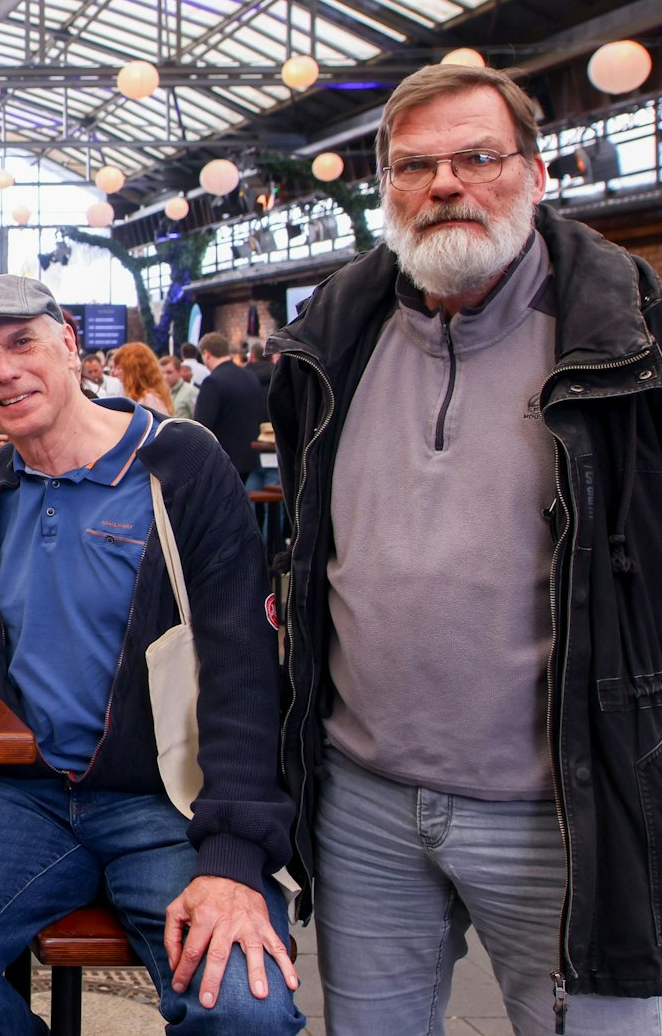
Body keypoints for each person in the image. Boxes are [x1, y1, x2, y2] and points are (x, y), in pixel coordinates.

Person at [269, 62, 662, 1034]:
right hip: (362, 804)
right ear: (386, 189)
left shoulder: (632, 342)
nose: (443, 184)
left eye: (475, 157)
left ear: (533, 175)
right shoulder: (330, 343)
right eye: (412, 166)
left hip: (566, 810)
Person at [0, 274, 303, 1036]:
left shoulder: (179, 467)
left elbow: (240, 665)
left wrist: (232, 859)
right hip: (26, 795)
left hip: (165, 799)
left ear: (69, 343)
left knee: (245, 1008)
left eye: (20, 342)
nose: (2, 370)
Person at [193, 332, 266, 483]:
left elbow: (202, 425)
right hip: (251, 456)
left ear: (206, 354)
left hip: (223, 459)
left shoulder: (212, 382)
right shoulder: (250, 376)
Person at [114, 342, 178, 418]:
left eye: (119, 368)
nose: (114, 373)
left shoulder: (150, 400)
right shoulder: (137, 398)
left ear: (133, 371)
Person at [161, 353, 199, 419]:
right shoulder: (159, 393)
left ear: (179, 372)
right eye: (162, 373)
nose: (165, 377)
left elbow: (199, 419)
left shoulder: (191, 392)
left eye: (169, 372)